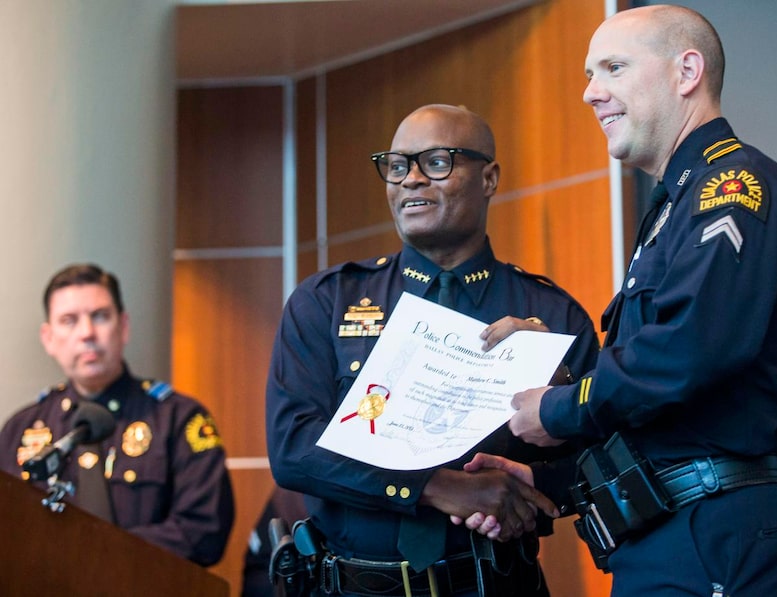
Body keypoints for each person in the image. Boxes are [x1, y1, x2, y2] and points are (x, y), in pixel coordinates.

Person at [506, 5, 777, 596]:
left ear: (687, 72)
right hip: (674, 532)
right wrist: (544, 481)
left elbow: (687, 352)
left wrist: (557, 409)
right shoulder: (676, 204)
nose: (590, 94)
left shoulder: (733, 188)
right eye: (588, 74)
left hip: (715, 535)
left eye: (613, 68)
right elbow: (665, 423)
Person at [265, 103, 599, 597]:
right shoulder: (327, 300)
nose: (411, 180)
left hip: (496, 583)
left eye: (437, 162)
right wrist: (438, 486)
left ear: (488, 178)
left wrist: (528, 482)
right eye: (397, 166)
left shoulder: (550, 316)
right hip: (355, 586)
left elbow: (605, 461)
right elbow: (294, 449)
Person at [0, 263, 235, 566]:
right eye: (69, 321)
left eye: (99, 316)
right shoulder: (20, 431)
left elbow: (205, 532)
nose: (87, 333)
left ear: (123, 326)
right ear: (48, 338)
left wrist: (97, 555)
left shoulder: (178, 419)